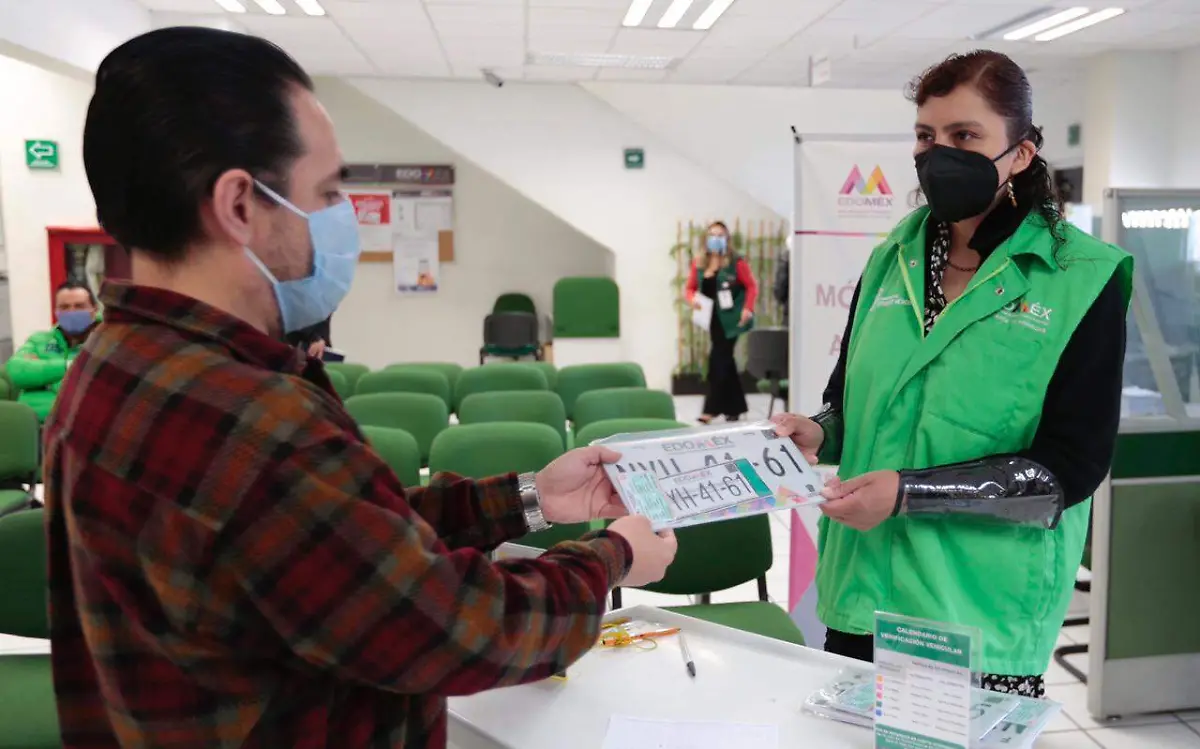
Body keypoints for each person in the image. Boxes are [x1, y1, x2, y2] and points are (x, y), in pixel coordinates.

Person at [45, 27, 677, 748]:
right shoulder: (253, 421)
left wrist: (533, 498)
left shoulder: (109, 365)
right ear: (240, 205)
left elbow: (346, 548)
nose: (341, 216)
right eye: (326, 192)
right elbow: (455, 629)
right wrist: (612, 556)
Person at [774, 50, 1131, 698]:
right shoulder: (892, 258)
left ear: (1020, 153)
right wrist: (819, 432)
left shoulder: (1083, 278)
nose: (938, 154)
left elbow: (1070, 468)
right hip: (862, 594)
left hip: (977, 610)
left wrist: (907, 493)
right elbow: (849, 403)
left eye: (965, 135)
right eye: (925, 135)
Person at [685, 221, 758, 424]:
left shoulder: (736, 262)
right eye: (712, 235)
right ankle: (735, 408)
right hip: (711, 319)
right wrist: (692, 300)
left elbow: (751, 286)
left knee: (717, 360)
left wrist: (747, 308)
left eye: (720, 235)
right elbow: (690, 288)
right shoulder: (699, 263)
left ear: (727, 239)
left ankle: (711, 409)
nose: (716, 239)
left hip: (732, 319)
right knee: (726, 362)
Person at [5, 280, 100, 421]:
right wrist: (70, 366)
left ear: (94, 309)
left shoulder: (107, 341)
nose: (71, 312)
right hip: (35, 426)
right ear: (56, 312)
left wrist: (42, 380)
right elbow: (16, 371)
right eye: (64, 307)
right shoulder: (39, 340)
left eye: (79, 306)